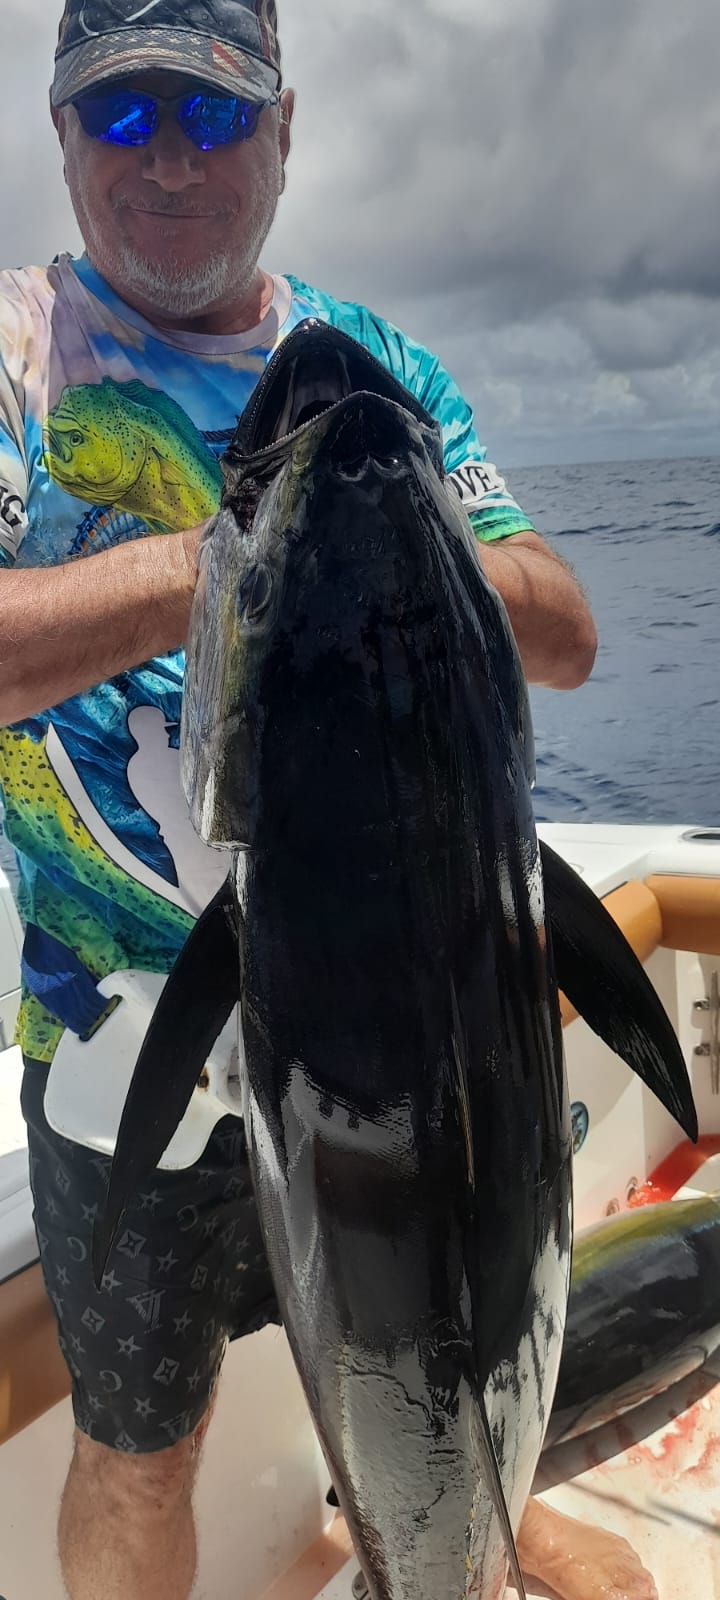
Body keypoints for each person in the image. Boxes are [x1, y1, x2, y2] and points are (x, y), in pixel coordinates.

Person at [0, 4, 658, 1599]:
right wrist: (222, 568)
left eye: (214, 120)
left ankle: (463, 1528)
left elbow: (560, 626)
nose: (170, 160)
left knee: (446, 1327)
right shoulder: (15, 361)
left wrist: (383, 555)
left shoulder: (389, 372)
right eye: (128, 116)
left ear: (284, 133)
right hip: (125, 1029)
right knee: (139, 1443)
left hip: (415, 996)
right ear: (64, 133)